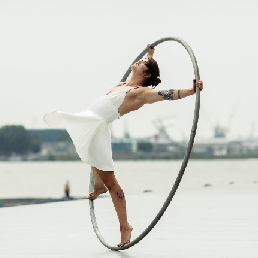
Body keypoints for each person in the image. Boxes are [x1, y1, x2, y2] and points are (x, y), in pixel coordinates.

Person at [44, 44, 203, 247]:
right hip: (90, 120)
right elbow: (141, 71)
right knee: (91, 154)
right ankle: (100, 187)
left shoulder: (139, 93)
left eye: (142, 63)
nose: (138, 62)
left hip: (98, 125)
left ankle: (125, 226)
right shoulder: (127, 83)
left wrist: (190, 90)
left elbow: (166, 94)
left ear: (146, 73)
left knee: (113, 184)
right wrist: (150, 55)